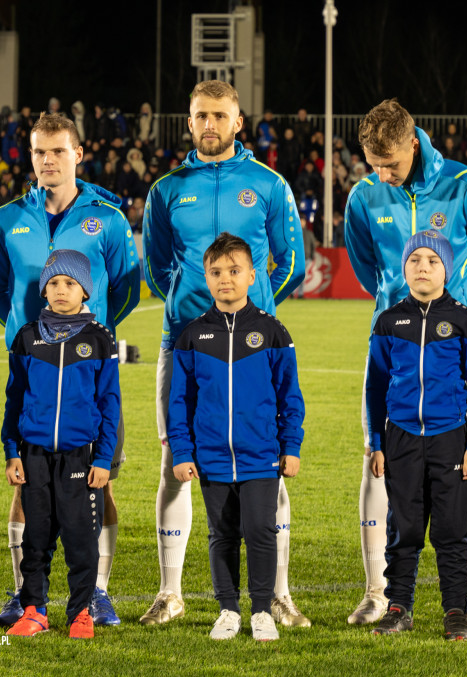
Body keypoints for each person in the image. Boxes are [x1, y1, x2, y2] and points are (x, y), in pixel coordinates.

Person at [141, 79, 306, 627]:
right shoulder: (167, 189)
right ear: (187, 123)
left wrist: (253, 316)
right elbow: (157, 264)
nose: (208, 125)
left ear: (239, 122)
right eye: (199, 116)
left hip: (252, 347)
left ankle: (277, 592)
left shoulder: (268, 184)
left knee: (269, 466)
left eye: (219, 115)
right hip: (183, 342)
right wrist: (190, 305)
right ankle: (170, 592)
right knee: (174, 462)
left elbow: (290, 262)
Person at [344, 98, 467, 627]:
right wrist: (399, 309)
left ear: (414, 143)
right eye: (373, 163)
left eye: (389, 162)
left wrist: (456, 320)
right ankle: (378, 591)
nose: (382, 174)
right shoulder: (364, 196)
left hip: (452, 347)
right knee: (379, 460)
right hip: (393, 342)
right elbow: (367, 267)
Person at [0, 112, 142, 628]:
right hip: (31, 368)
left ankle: (96, 592)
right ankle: (25, 594)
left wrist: (86, 341)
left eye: (58, 151)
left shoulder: (109, 220)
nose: (48, 161)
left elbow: (126, 288)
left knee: (99, 482)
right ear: (30, 157)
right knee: (27, 485)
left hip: (85, 372)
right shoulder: (5, 219)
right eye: (39, 153)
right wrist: (25, 333)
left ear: (78, 154)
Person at [168, 233, 304, 641]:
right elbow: (179, 402)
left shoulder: (273, 331)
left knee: (261, 530)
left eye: (233, 271)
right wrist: (181, 451)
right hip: (210, 457)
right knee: (221, 534)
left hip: (260, 455)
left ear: (252, 275)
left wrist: (291, 447)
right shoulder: (192, 336)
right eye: (216, 272)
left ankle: (262, 610)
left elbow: (290, 396)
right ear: (206, 279)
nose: (225, 279)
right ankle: (228, 609)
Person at [365, 230, 467, 641]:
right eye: (415, 260)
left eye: (432, 261)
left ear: (446, 270)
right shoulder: (388, 321)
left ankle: (455, 610)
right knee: (404, 530)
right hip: (400, 438)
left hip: (451, 438)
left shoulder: (465, 320)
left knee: (452, 533)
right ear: (404, 268)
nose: (423, 267)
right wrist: (377, 442)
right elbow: (375, 386)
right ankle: (399, 607)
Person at [2, 250, 119, 640]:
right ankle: (34, 610)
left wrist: (104, 458)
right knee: (35, 538)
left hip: (80, 457)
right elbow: (14, 399)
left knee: (80, 539)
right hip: (34, 455)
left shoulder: (99, 339)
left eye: (69, 283)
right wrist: (11, 451)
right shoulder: (27, 337)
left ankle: (81, 612)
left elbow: (109, 403)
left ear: (85, 290)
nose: (60, 290)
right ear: (44, 291)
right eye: (53, 283)